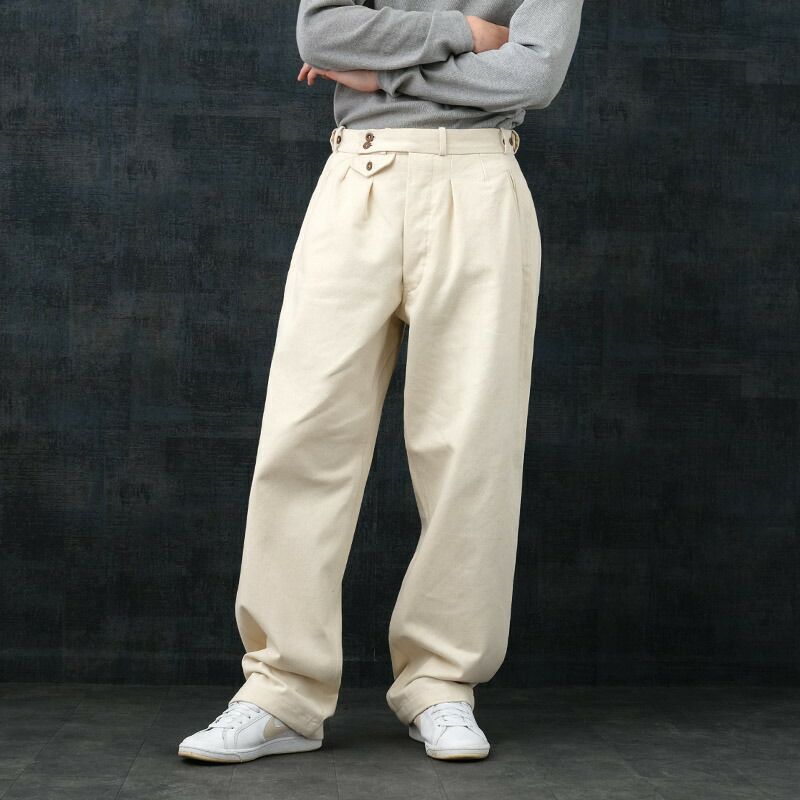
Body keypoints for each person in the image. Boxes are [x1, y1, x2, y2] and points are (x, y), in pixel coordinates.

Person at [179, 0, 584, 764]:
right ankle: (280, 692)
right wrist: (467, 35)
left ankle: (441, 682)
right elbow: (321, 31)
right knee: (303, 434)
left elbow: (534, 74)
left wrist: (380, 74)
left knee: (470, 452)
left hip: (482, 182)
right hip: (357, 175)